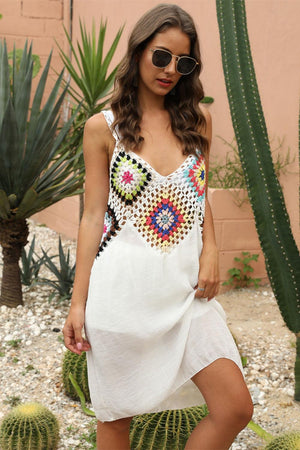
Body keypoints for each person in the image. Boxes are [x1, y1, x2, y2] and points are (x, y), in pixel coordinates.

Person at [63, 3, 253, 449]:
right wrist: (77, 304)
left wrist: (211, 250)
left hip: (187, 295)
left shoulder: (198, 121)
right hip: (121, 293)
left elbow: (199, 194)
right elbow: (92, 217)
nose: (170, 70)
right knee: (116, 419)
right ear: (139, 51)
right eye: (161, 56)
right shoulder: (102, 128)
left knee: (234, 407)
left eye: (183, 63)